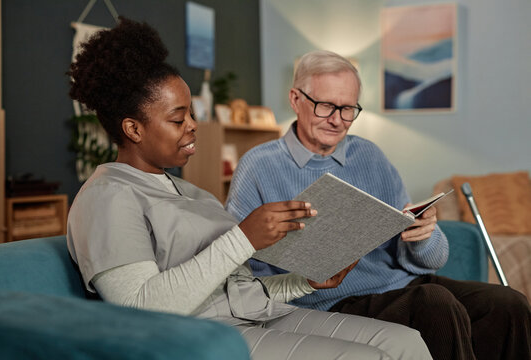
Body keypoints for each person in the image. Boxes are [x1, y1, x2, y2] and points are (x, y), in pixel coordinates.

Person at [66, 18, 433, 360]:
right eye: (178, 119)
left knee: (404, 341)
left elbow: (238, 294)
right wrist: (244, 239)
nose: (193, 126)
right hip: (196, 336)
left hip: (254, 315)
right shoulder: (108, 196)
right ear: (133, 129)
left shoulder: (193, 194)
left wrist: (304, 282)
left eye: (192, 114)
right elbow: (137, 308)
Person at [226, 50, 531, 360]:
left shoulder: (369, 156)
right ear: (295, 99)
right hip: (329, 299)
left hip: (402, 284)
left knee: (508, 303)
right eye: (326, 106)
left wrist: (424, 236)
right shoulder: (258, 166)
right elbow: (238, 267)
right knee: (434, 304)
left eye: (348, 109)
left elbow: (430, 260)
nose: (337, 120)